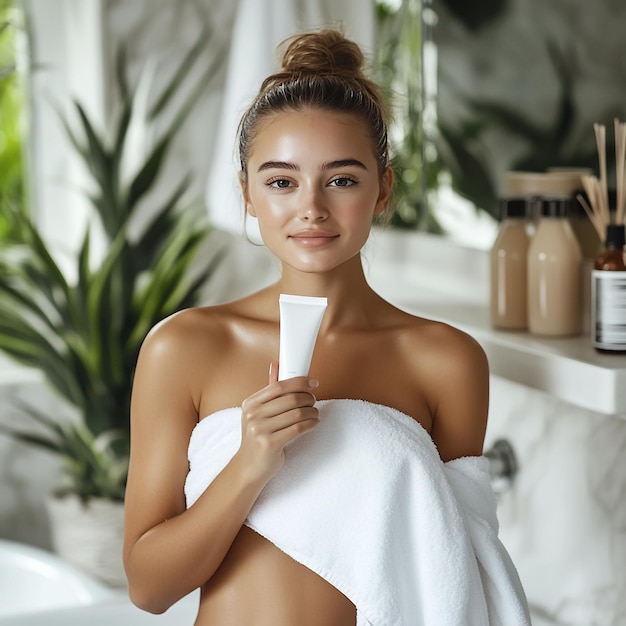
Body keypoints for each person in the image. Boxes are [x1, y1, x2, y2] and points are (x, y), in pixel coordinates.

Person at [123, 28, 530, 626]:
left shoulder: (445, 360)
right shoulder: (184, 348)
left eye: (341, 179)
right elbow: (148, 589)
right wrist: (251, 463)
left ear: (382, 189)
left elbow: (452, 575)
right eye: (281, 181)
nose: (311, 207)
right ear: (248, 195)